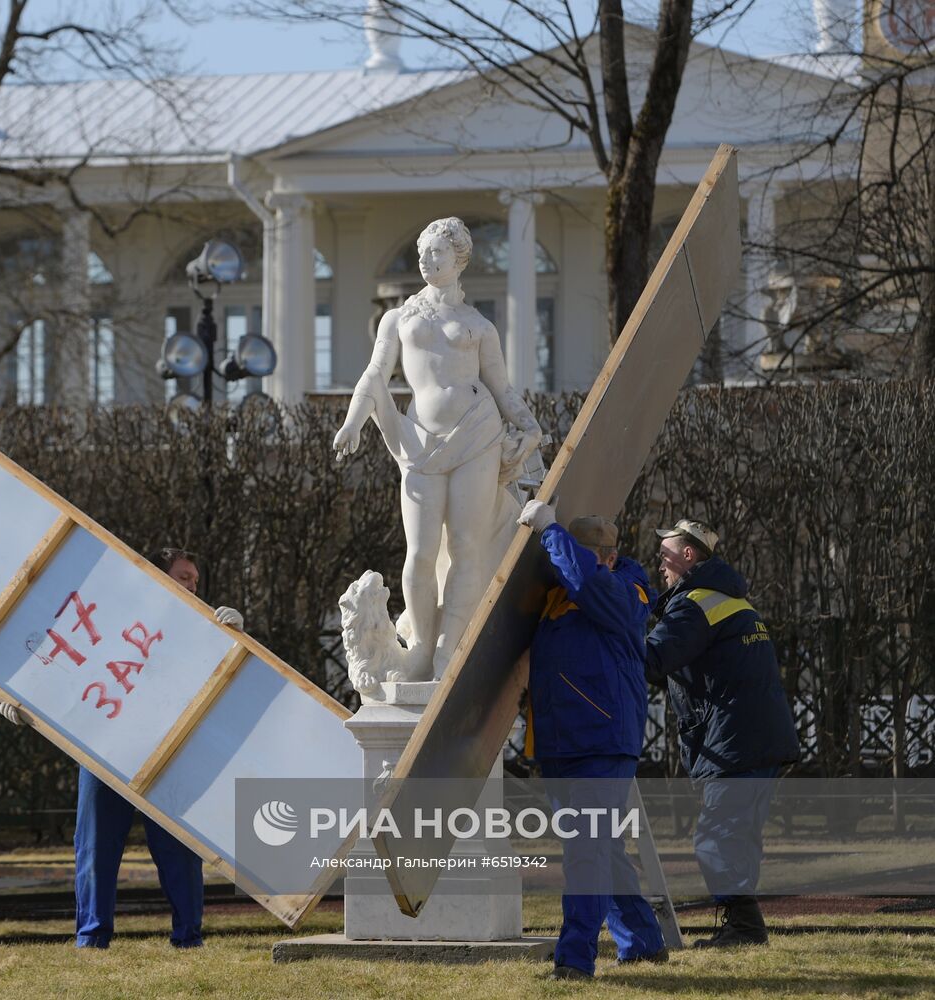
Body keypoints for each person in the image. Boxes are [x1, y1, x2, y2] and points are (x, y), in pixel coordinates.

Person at [0, 546, 243, 949]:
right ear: (157, 575)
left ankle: (188, 938)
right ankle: (91, 938)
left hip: (167, 752)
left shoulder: (203, 628)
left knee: (179, 849)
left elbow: (229, 679)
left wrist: (236, 638)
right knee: (95, 844)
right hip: (104, 750)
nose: (194, 586)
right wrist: (20, 701)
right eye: (184, 576)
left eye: (196, 580)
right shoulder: (113, 615)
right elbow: (67, 664)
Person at [333, 217, 541, 680]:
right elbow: (375, 374)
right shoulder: (398, 317)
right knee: (421, 553)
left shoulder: (479, 326)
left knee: (466, 545)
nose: (426, 260)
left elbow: (502, 389)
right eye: (422, 253)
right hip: (419, 442)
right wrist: (353, 422)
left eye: (436, 253)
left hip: (478, 433)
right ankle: (422, 648)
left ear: (458, 258)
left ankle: (449, 648)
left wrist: (529, 425)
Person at [518, 499, 667, 980]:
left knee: (586, 851)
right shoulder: (560, 595)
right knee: (602, 849)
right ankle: (643, 942)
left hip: (601, 743)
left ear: (600, 555)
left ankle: (575, 959)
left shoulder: (626, 588)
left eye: (566, 553)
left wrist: (551, 531)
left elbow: (587, 582)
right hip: (564, 745)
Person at [645, 519, 800, 948]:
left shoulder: (693, 604)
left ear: (688, 555)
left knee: (715, 836)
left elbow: (653, 660)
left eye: (665, 555)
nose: (661, 565)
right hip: (756, 739)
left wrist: (612, 627)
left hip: (734, 742)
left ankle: (745, 928)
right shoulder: (731, 601)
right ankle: (741, 926)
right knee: (737, 834)